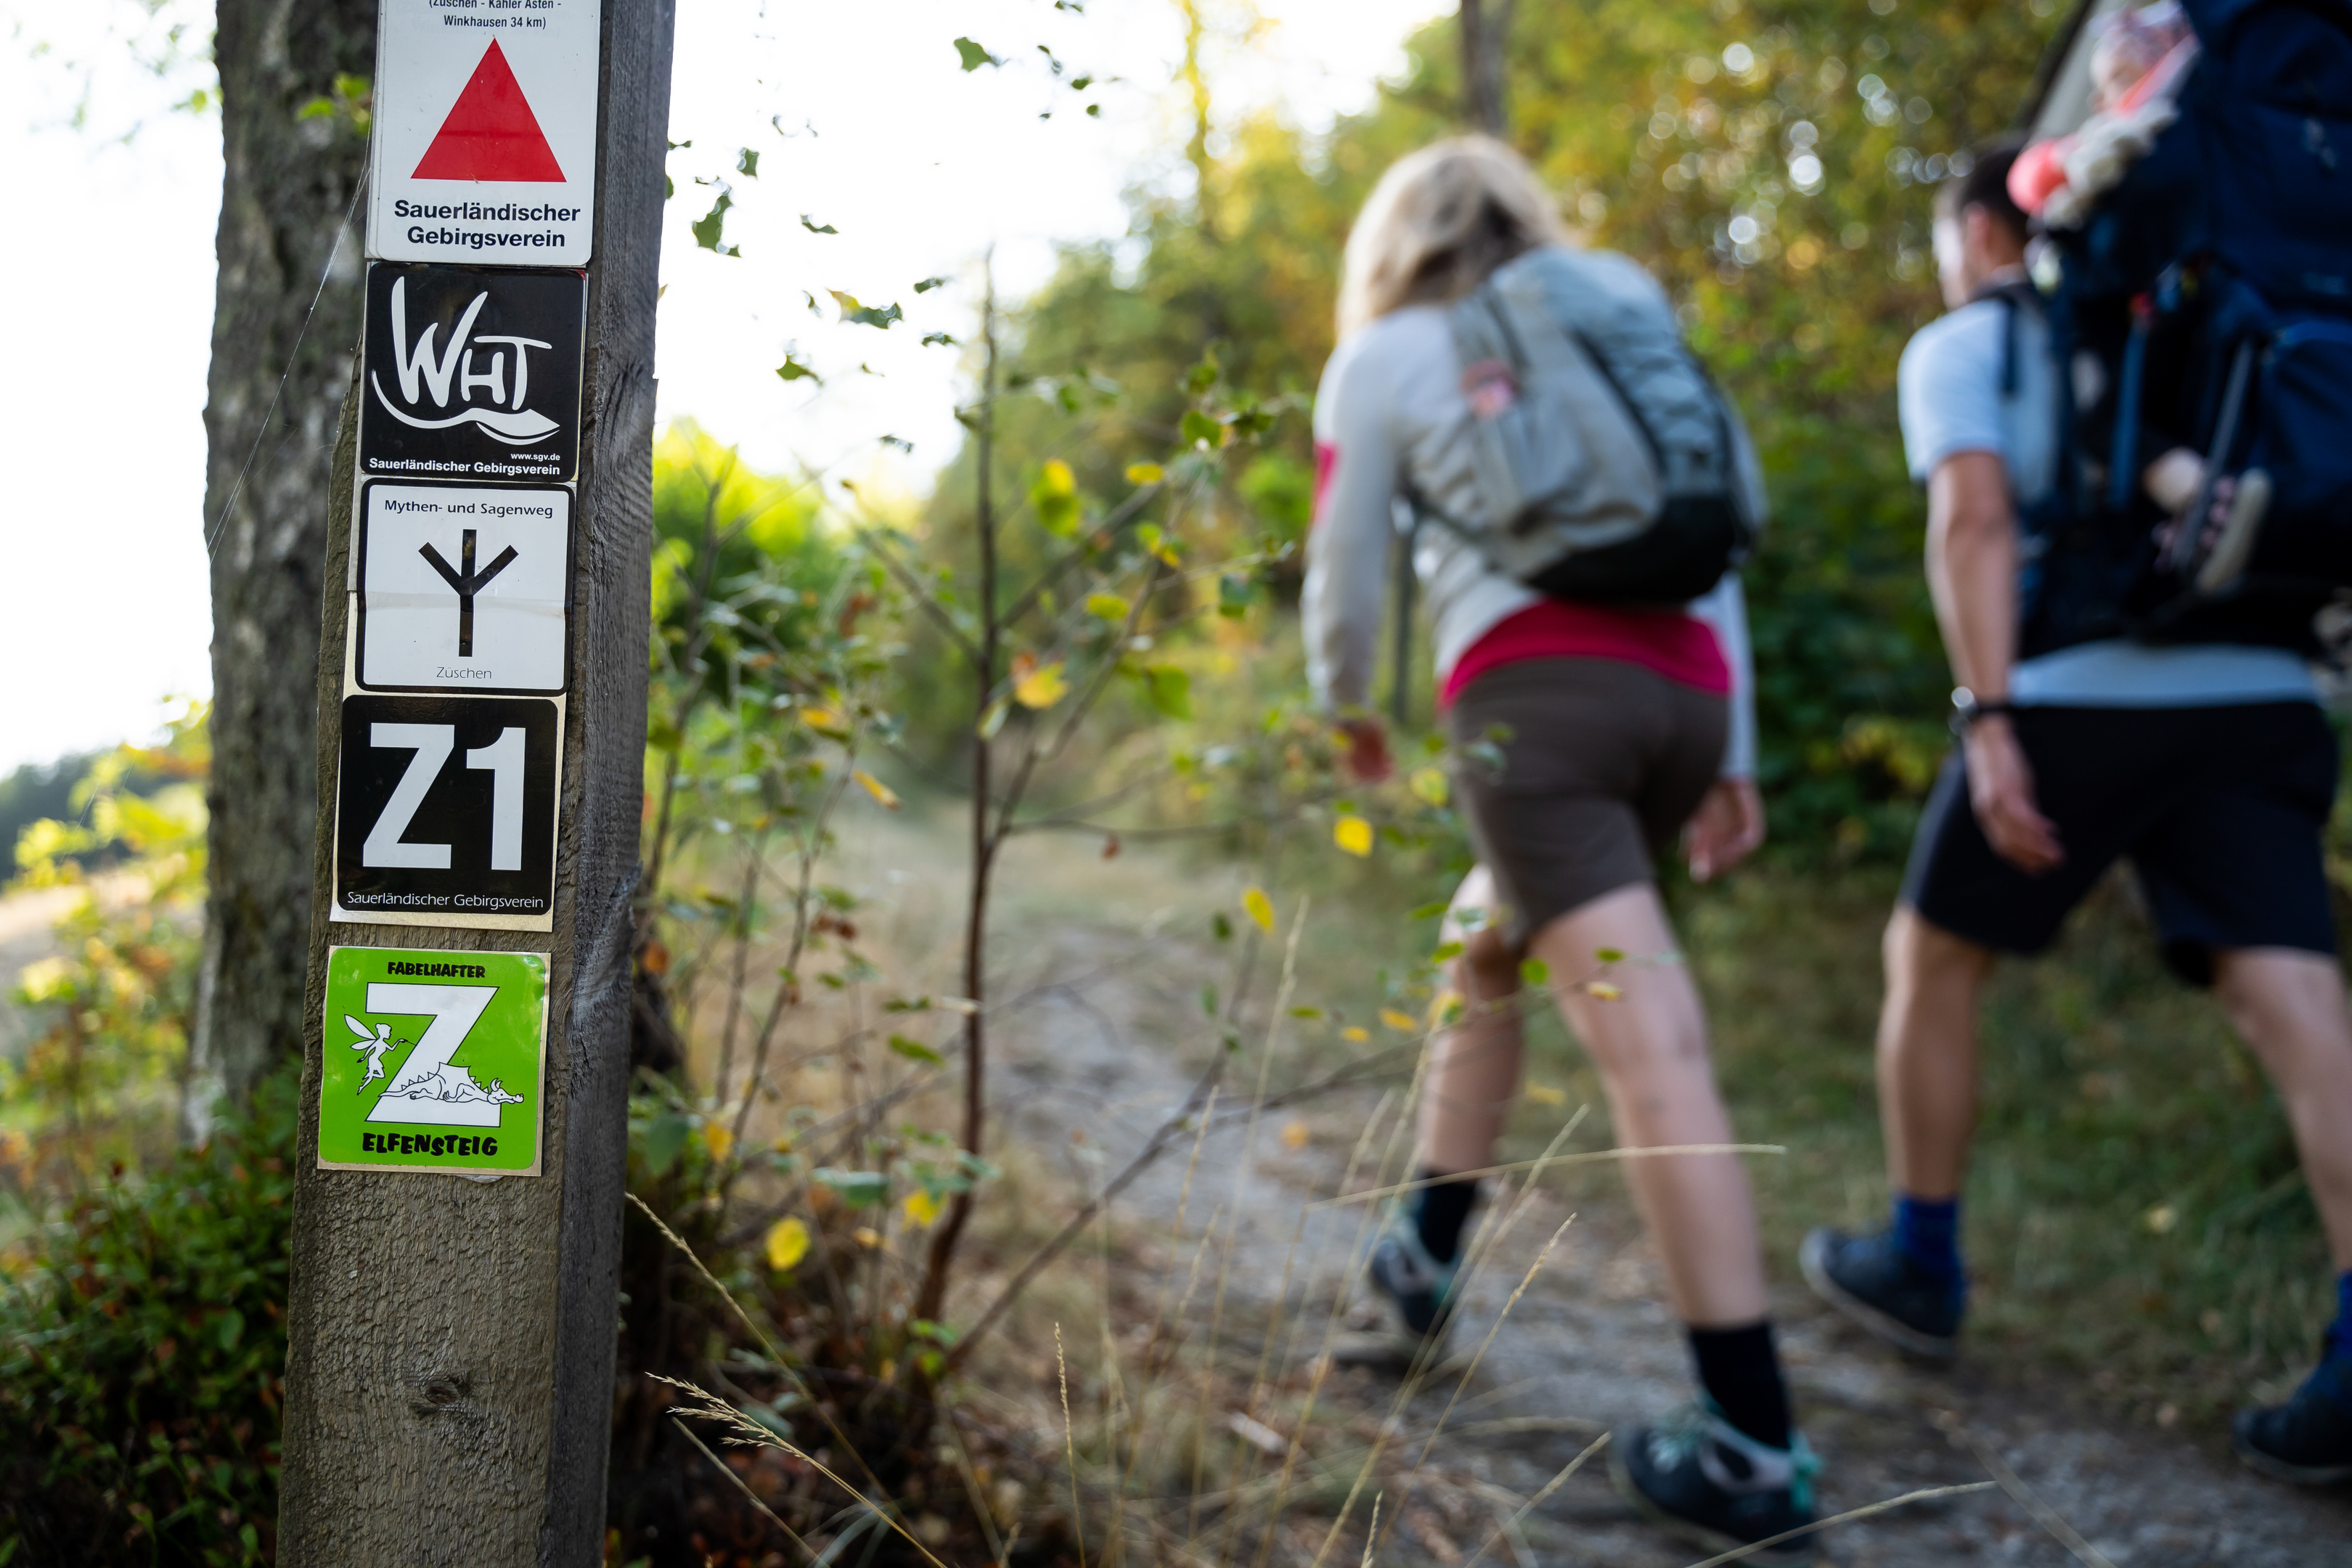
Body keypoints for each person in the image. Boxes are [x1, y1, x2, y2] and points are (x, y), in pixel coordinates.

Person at [1801, 142, 2352, 1487]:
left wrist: (1990, 723)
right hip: (2265, 689)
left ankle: (1922, 1263)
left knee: (1934, 956)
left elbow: (1976, 525)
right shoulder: (2221, 321)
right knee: (2295, 1005)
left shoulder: (1973, 344)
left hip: (2074, 696)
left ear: (1991, 230)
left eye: (1951, 241)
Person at [1303, 136, 1817, 1563]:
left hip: (1539, 714)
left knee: (1654, 1051)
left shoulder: (1383, 355)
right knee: (1484, 947)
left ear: (1391, 242)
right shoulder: (1615, 308)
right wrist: (1733, 750)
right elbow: (1705, 526)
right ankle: (1421, 1265)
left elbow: (1346, 563)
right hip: (1683, 699)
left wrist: (1348, 707)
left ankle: (1753, 1447)